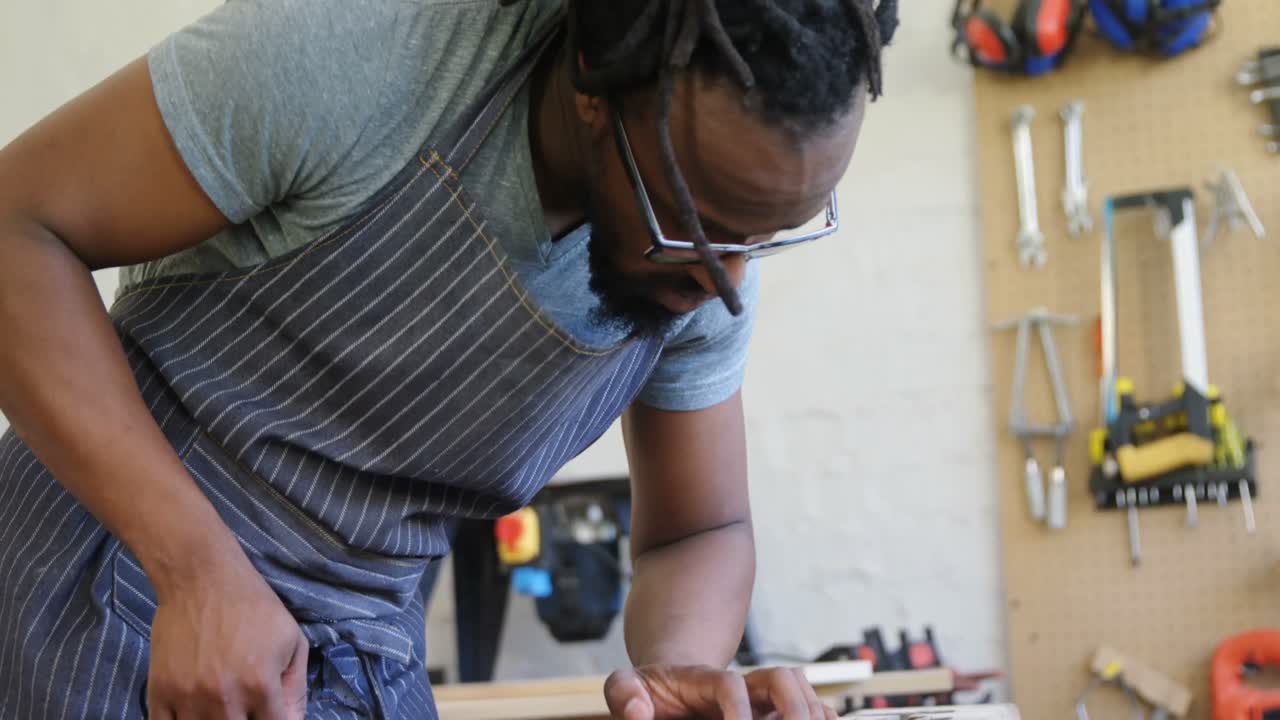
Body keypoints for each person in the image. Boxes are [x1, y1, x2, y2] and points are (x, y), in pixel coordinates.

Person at [0, 0, 898, 717]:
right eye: (693, 221)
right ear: (596, 92)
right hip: (107, 577)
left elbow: (700, 531)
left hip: (353, 652)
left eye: (765, 236)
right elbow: (15, 226)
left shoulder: (705, 262)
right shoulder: (362, 53)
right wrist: (195, 570)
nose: (725, 280)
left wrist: (683, 667)